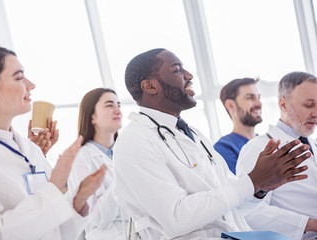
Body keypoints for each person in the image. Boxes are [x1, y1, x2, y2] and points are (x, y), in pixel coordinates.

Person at [113, 48, 310, 239]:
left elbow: (236, 202)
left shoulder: (194, 134)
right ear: (150, 87)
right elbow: (176, 217)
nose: (189, 75)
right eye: (177, 70)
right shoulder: (134, 141)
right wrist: (253, 181)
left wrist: (261, 188)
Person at [0, 45, 107, 239]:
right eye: (19, 77)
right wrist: (54, 185)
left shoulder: (30, 150)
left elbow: (57, 231)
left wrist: (78, 201)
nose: (31, 85)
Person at [236, 71, 317, 240]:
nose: (315, 113)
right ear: (283, 105)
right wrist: (310, 224)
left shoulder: (313, 145)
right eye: (309, 105)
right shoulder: (257, 149)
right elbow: (250, 211)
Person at [68, 88, 125, 240]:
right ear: (92, 117)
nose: (118, 110)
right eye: (109, 105)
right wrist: (123, 174)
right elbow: (98, 218)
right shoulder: (80, 158)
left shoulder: (125, 152)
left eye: (118, 105)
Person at [213, 78, 262, 174]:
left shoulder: (265, 142)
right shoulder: (223, 149)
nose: (259, 104)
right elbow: (241, 186)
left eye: (258, 98)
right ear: (230, 105)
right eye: (250, 98)